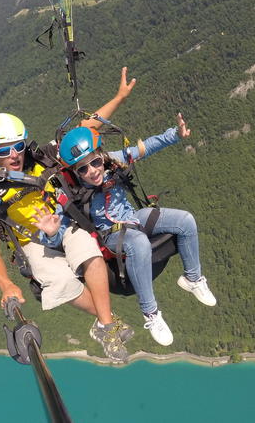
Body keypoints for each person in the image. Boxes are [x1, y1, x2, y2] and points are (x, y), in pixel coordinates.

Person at [0, 68, 138, 362]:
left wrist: (119, 98)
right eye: (3, 150)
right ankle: (107, 320)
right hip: (30, 241)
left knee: (91, 254)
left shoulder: (42, 157)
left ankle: (106, 326)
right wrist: (5, 284)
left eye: (18, 146)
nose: (14, 154)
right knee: (61, 283)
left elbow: (84, 131)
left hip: (62, 222)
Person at [38, 114, 216, 346]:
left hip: (133, 218)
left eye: (95, 162)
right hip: (109, 234)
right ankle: (151, 314)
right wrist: (50, 233)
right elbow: (60, 236)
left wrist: (175, 134)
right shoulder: (68, 191)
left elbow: (145, 148)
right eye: (83, 169)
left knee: (185, 220)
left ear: (101, 155)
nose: (92, 171)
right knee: (138, 243)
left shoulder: (113, 161)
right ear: (74, 171)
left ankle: (192, 278)